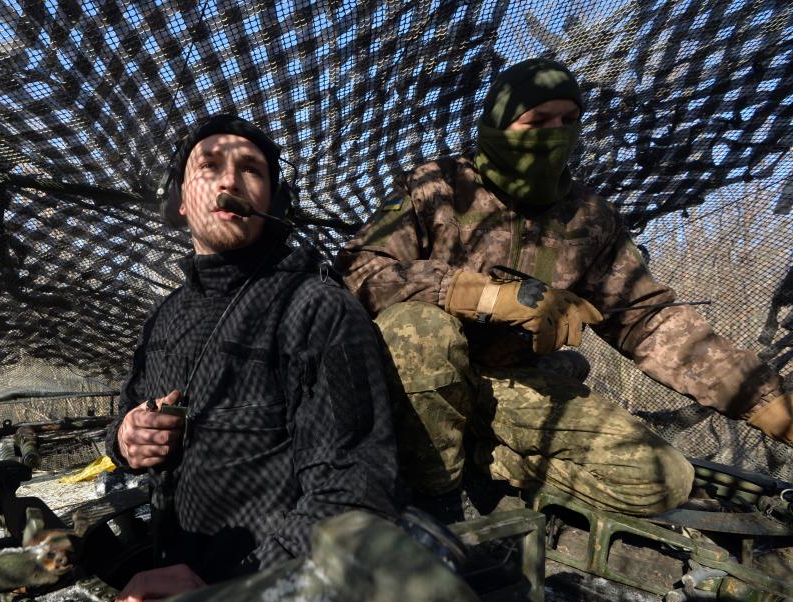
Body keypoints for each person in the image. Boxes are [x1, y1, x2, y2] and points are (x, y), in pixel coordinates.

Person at [336, 58, 792, 518]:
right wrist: (483, 296)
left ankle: (486, 458)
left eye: (568, 121)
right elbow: (360, 271)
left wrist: (765, 401)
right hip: (414, 380)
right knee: (419, 329)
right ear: (500, 124)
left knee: (663, 479)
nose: (554, 135)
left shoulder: (590, 219)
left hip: (511, 384)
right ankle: (435, 500)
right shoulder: (436, 186)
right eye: (537, 121)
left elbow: (649, 321)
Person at [107, 114, 399, 602]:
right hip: (166, 600)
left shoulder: (315, 310)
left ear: (274, 201)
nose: (230, 180)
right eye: (209, 166)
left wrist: (232, 592)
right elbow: (122, 418)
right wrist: (126, 439)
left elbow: (354, 494)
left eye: (251, 169)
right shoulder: (164, 318)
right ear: (179, 200)